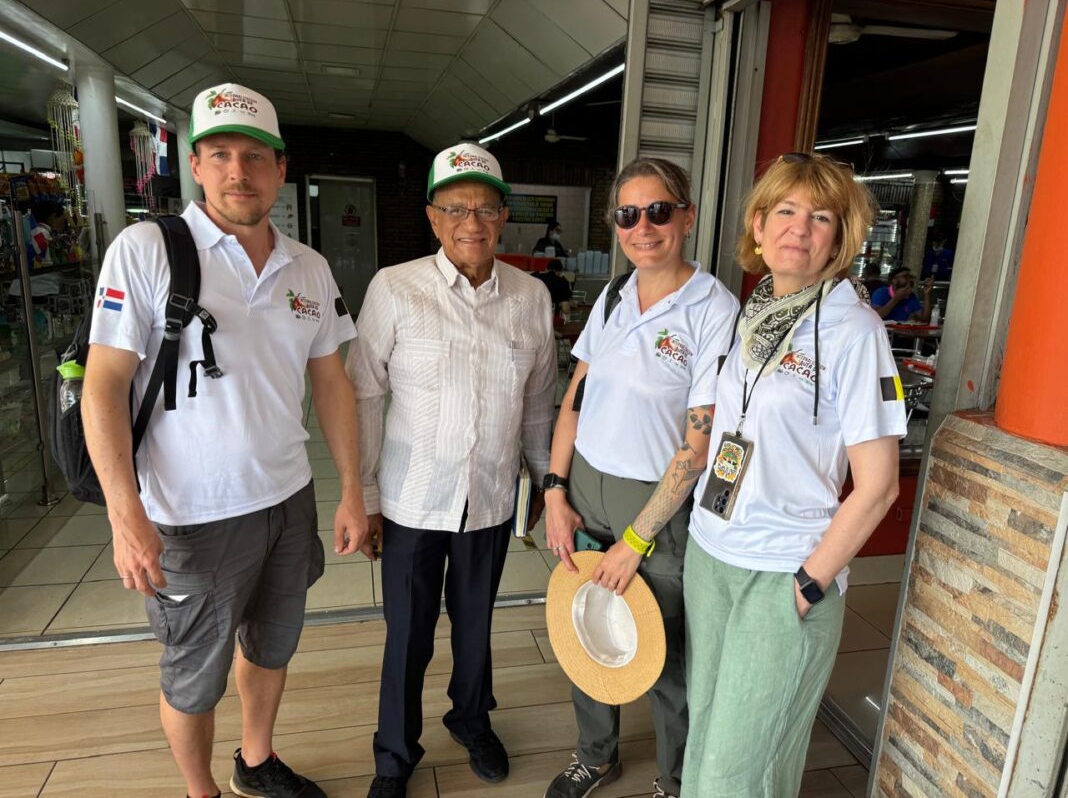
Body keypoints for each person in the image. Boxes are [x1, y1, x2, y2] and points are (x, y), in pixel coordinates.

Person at [82, 83, 371, 798]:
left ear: (279, 169)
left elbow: (332, 382)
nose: (237, 171)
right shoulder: (148, 249)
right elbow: (103, 387)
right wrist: (126, 516)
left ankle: (256, 759)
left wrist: (352, 491)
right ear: (197, 166)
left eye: (253, 156)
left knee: (271, 645)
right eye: (218, 156)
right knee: (193, 670)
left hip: (287, 500)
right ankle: (200, 791)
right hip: (187, 515)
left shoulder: (309, 267)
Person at [680, 152, 905, 798]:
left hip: (783, 570)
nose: (798, 228)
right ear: (757, 224)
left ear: (840, 237)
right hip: (713, 553)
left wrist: (808, 582)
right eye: (784, 211)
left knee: (737, 773)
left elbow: (881, 483)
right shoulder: (755, 310)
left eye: (820, 217)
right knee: (708, 741)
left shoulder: (853, 329)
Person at [347, 142, 557, 798]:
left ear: (503, 217)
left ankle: (470, 717)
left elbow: (539, 401)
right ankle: (393, 754)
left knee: (475, 624)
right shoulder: (394, 287)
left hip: (490, 497)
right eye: (457, 208)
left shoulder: (531, 297)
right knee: (408, 633)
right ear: (434, 217)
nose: (473, 221)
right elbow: (364, 395)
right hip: (412, 500)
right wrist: (367, 494)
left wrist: (547, 479)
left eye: (487, 208)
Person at [542, 158, 739, 798]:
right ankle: (595, 753)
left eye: (659, 210)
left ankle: (675, 779)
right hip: (585, 488)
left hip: (655, 503)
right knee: (587, 622)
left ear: (686, 215)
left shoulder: (713, 309)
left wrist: (638, 540)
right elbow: (577, 390)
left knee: (663, 650)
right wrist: (553, 490)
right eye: (628, 214)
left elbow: (699, 445)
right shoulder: (614, 293)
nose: (643, 227)